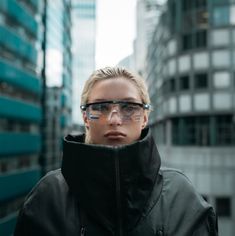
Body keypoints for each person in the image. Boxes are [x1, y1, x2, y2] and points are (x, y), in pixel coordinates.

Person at [14, 67, 218, 236]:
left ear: (145, 117)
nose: (114, 119)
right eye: (100, 107)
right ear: (85, 117)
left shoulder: (182, 197)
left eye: (128, 107)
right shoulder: (49, 196)